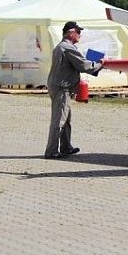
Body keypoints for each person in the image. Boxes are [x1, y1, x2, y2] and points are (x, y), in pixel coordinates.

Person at [44, 21, 105, 159]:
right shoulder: (67, 48)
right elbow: (84, 65)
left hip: (61, 87)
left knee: (66, 119)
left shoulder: (62, 47)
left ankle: (66, 147)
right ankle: (51, 151)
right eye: (78, 32)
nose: (80, 34)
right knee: (59, 120)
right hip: (62, 88)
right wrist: (101, 63)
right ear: (70, 33)